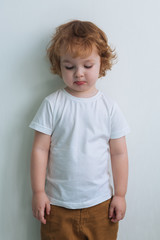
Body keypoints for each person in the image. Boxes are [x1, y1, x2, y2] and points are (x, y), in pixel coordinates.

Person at [29, 20, 130, 240]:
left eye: (87, 65)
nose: (79, 73)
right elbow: (39, 149)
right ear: (59, 65)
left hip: (101, 206)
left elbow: (119, 153)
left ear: (101, 63)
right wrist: (38, 192)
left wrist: (120, 195)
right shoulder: (52, 104)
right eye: (70, 66)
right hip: (56, 207)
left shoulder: (109, 107)